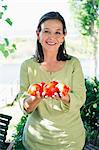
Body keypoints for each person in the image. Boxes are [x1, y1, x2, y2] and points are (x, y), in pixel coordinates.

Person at [19, 11, 86, 150]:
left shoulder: (74, 64)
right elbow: (25, 106)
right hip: (36, 141)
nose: (52, 37)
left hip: (70, 141)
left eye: (57, 32)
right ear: (38, 34)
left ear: (63, 36)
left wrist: (65, 97)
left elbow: (80, 98)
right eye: (47, 31)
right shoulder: (27, 66)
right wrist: (37, 97)